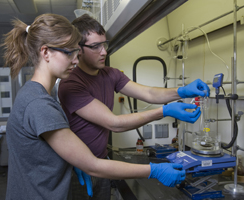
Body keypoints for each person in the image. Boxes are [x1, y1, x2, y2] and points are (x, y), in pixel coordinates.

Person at [2, 13, 187, 200]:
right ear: (45, 52)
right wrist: (153, 170)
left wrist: (70, 161)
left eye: (76, 52)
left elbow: (42, 154)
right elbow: (93, 165)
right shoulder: (39, 104)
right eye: (69, 52)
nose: (75, 59)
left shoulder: (34, 95)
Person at [58, 14, 210, 199]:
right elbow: (113, 123)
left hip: (102, 162)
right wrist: (165, 111)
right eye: (95, 46)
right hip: (78, 170)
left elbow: (149, 94)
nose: (104, 52)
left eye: (104, 44)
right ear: (78, 50)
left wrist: (182, 91)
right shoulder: (71, 85)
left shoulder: (110, 74)